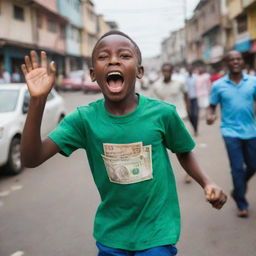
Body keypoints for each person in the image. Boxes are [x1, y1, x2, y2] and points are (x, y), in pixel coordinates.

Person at [21, 31, 227, 256]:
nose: (113, 60)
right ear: (92, 74)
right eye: (103, 57)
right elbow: (32, 158)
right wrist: (37, 100)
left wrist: (207, 183)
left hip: (157, 230)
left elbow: (183, 151)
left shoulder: (163, 114)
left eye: (124, 55)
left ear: (139, 71)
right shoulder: (83, 119)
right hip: (112, 233)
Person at [207, 50, 256, 218]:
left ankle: (237, 190)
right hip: (230, 131)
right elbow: (212, 105)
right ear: (226, 63)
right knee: (237, 169)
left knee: (253, 166)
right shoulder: (218, 85)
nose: (235, 61)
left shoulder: (253, 82)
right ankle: (241, 202)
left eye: (238, 59)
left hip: (251, 131)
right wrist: (210, 114)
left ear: (242, 62)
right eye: (231, 59)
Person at [186, 65, 199, 137]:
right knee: (190, 115)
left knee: (195, 115)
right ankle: (193, 127)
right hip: (188, 100)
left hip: (195, 98)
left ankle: (196, 129)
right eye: (189, 69)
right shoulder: (184, 78)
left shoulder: (195, 77)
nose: (190, 70)